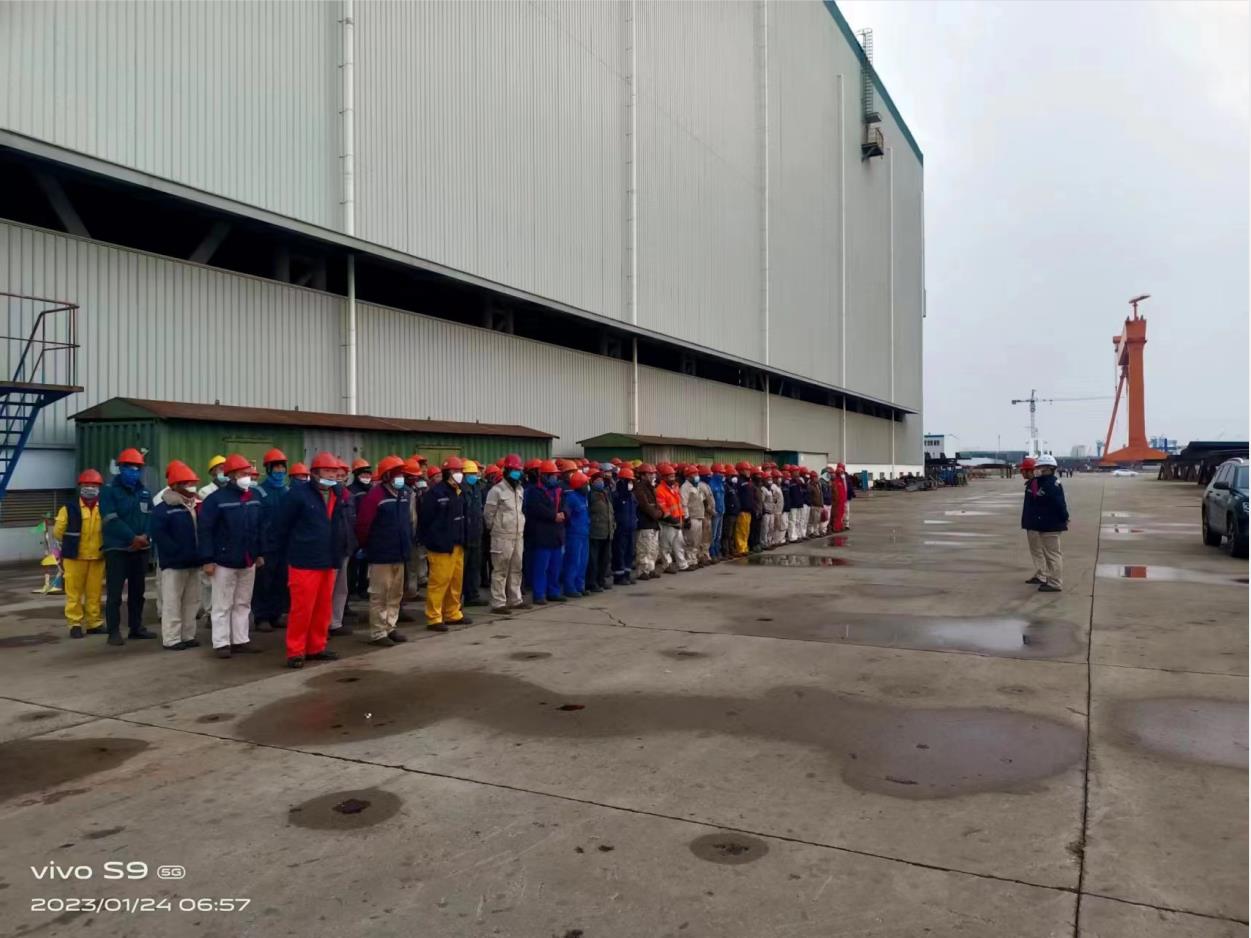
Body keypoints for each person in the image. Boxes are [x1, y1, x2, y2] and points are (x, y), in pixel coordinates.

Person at [270, 452, 349, 667]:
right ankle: (295, 651)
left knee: (323, 608)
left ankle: (316, 647)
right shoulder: (298, 495)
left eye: (334, 471)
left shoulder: (337, 494)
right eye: (327, 471)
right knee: (302, 609)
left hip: (328, 559)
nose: (332, 475)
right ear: (314, 473)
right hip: (304, 561)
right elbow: (281, 526)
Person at [198, 454, 264, 658]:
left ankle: (240, 640)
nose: (248, 477)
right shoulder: (215, 500)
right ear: (232, 475)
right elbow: (205, 530)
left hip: (248, 559)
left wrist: (259, 552)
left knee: (243, 602)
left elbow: (260, 527)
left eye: (249, 473)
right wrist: (207, 559)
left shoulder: (254, 497)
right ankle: (221, 643)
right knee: (222, 604)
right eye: (244, 473)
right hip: (223, 561)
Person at [99, 448, 155, 646]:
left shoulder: (145, 492)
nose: (134, 472)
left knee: (137, 592)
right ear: (120, 468)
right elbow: (110, 519)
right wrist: (132, 537)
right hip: (117, 550)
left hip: (140, 550)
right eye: (130, 468)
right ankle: (113, 631)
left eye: (137, 468)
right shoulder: (108, 491)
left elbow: (151, 517)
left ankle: (136, 627)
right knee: (115, 593)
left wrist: (145, 536)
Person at [354, 454, 411, 647]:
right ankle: (378, 632)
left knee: (395, 594)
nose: (400, 477)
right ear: (386, 475)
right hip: (381, 554)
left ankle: (390, 627)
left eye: (401, 473)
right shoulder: (375, 496)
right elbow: (363, 525)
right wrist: (367, 546)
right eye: (396, 473)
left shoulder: (403, 494)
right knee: (380, 594)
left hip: (400, 553)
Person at [149, 460, 203, 651]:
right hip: (174, 564)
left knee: (191, 601)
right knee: (172, 602)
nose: (192, 486)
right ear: (176, 486)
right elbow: (160, 536)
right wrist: (177, 553)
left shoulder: (195, 506)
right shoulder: (163, 509)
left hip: (194, 562)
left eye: (192, 483)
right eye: (188, 483)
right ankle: (171, 638)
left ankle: (187, 635)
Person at [421, 456, 472, 630]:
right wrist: (433, 540)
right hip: (441, 546)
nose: (459, 474)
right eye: (455, 471)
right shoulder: (435, 494)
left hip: (458, 544)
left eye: (460, 471)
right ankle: (434, 617)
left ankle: (452, 613)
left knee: (455, 582)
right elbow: (426, 520)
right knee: (439, 582)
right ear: (446, 473)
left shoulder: (460, 491)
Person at [55, 469, 106, 639]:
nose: (90, 488)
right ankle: (75, 624)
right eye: (87, 484)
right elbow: (58, 532)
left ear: (99, 487)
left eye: (94, 485)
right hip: (74, 558)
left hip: (97, 557)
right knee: (74, 593)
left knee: (94, 593)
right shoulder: (68, 508)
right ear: (80, 486)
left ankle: (94, 623)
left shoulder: (104, 507)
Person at [252, 447, 290, 633]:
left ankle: (277, 614)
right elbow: (255, 521)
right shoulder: (258, 491)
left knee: (281, 581)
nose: (280, 471)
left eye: (282, 468)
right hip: (266, 546)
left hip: (284, 545)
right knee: (263, 583)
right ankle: (262, 617)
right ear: (268, 469)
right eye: (276, 468)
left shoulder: (288, 491)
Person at [484, 453, 527, 614]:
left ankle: (515, 599)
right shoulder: (496, 490)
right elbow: (488, 514)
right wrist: (496, 529)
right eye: (514, 470)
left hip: (518, 535)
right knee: (500, 570)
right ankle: (498, 603)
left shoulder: (520, 489)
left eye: (519, 470)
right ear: (507, 471)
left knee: (517, 568)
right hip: (501, 536)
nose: (517, 473)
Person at [1022, 454, 1068, 592]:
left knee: (1052, 555)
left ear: (1048, 468)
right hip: (1044, 523)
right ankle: (1048, 577)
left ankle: (1055, 582)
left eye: (1039, 467)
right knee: (1049, 554)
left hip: (1050, 524)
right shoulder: (1043, 482)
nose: (1037, 469)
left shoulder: (1050, 484)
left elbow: (1059, 504)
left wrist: (1064, 518)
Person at [525, 459, 566, 603]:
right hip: (542, 535)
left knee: (555, 567)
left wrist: (563, 514)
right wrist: (554, 516)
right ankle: (539, 594)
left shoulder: (558, 491)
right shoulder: (534, 491)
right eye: (552, 475)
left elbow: (564, 506)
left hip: (556, 534)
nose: (555, 477)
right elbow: (537, 509)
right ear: (545, 476)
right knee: (541, 567)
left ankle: (553, 592)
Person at [328, 458, 356, 637]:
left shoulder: (349, 496)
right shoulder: (327, 497)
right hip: (330, 550)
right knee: (327, 590)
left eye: (342, 475)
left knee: (341, 589)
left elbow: (353, 522)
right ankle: (323, 623)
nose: (339, 478)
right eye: (336, 475)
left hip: (345, 548)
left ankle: (335, 622)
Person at [459, 460, 487, 608]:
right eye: (470, 474)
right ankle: (456, 599)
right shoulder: (460, 490)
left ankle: (472, 595)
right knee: (460, 571)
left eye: (475, 473)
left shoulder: (477, 488)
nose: (474, 476)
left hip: (476, 534)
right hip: (464, 535)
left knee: (474, 567)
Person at [560, 470, 591, 597]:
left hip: (584, 533)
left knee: (583, 562)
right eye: (585, 483)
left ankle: (580, 586)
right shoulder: (571, 498)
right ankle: (570, 587)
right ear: (579, 485)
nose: (587, 486)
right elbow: (566, 516)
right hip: (573, 534)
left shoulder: (584, 498)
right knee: (573, 561)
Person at [347, 458, 373, 599]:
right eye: (363, 474)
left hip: (368, 532)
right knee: (352, 564)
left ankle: (363, 588)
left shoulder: (372, 490)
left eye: (368, 474)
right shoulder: (351, 491)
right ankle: (352, 590)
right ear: (356, 475)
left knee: (365, 563)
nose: (366, 477)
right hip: (354, 532)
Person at [586, 469, 615, 590]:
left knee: (604, 559)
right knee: (594, 559)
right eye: (598, 480)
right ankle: (592, 582)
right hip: (595, 532)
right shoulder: (590, 495)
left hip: (607, 532)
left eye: (601, 480)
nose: (600, 482)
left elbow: (610, 512)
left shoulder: (605, 493)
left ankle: (601, 580)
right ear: (592, 482)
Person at [655, 463, 687, 573]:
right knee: (665, 546)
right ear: (664, 477)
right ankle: (667, 565)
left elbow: (679, 504)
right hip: (668, 523)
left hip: (677, 520)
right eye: (670, 476)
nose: (672, 478)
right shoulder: (660, 490)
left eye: (673, 476)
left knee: (679, 545)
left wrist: (682, 517)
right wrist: (672, 519)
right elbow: (662, 507)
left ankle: (683, 565)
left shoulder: (675, 487)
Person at [633, 463, 662, 579]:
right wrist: (657, 513)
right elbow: (645, 505)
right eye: (650, 474)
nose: (652, 476)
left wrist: (658, 512)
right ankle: (642, 571)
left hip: (653, 523)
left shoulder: (650, 488)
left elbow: (656, 505)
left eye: (653, 474)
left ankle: (650, 568)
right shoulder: (639, 488)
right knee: (644, 548)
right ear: (643, 475)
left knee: (653, 548)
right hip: (645, 523)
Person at [611, 466, 637, 583]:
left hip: (631, 527)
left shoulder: (631, 495)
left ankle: (627, 574)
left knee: (629, 552)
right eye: (629, 481)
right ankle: (619, 576)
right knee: (619, 552)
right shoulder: (616, 495)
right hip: (620, 529)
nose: (631, 483)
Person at [680, 466, 709, 567]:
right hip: (692, 517)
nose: (697, 476)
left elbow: (702, 499)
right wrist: (686, 518)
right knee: (690, 541)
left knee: (697, 540)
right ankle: (690, 561)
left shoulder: (696, 486)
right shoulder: (685, 487)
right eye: (694, 474)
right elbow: (684, 504)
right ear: (688, 476)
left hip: (699, 516)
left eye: (697, 473)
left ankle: (695, 559)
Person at [707, 465, 726, 561]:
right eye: (720, 472)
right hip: (715, 513)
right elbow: (709, 500)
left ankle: (718, 551)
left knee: (719, 534)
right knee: (713, 535)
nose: (722, 474)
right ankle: (712, 553)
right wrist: (712, 510)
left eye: (723, 473)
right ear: (715, 473)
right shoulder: (711, 484)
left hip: (721, 512)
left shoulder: (721, 484)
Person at [722, 467, 740, 558]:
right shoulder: (726, 486)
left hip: (735, 513)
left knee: (732, 534)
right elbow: (725, 500)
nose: (735, 478)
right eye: (733, 476)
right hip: (729, 514)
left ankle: (732, 549)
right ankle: (726, 551)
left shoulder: (733, 486)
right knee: (727, 534)